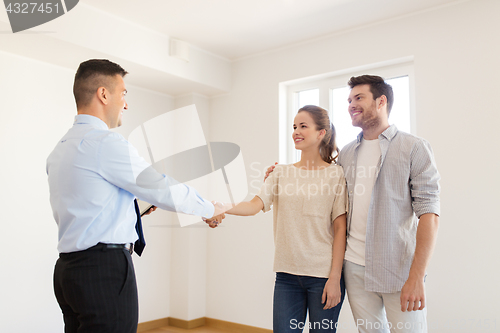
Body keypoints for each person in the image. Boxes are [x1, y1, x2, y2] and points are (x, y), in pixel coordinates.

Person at [47, 59, 225, 333]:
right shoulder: (105, 142)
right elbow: (161, 187)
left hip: (68, 272)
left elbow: (87, 206)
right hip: (104, 271)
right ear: (103, 94)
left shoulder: (61, 149)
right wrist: (209, 208)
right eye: (123, 93)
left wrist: (134, 209)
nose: (126, 104)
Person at [265, 75, 440, 333]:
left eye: (359, 98)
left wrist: (417, 275)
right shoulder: (346, 153)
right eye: (349, 100)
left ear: (381, 101)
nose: (351, 105)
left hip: (399, 270)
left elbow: (430, 215)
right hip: (355, 269)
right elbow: (319, 185)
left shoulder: (413, 148)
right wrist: (278, 173)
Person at [207, 105, 348, 333]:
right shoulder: (280, 172)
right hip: (287, 276)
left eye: (303, 126)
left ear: (321, 132)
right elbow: (254, 205)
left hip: (322, 276)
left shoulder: (336, 174)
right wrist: (222, 206)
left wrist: (335, 278)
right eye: (294, 126)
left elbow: (340, 228)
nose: (296, 131)